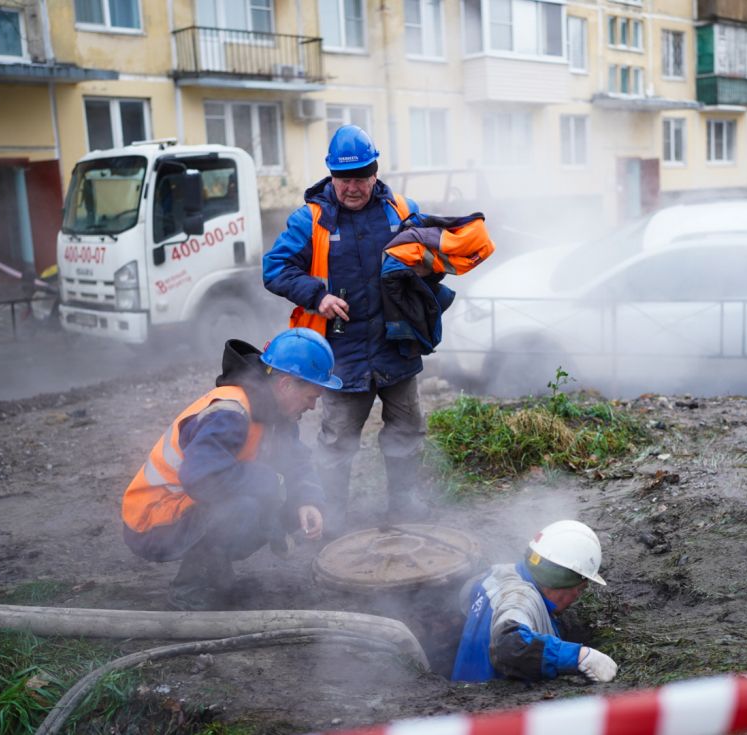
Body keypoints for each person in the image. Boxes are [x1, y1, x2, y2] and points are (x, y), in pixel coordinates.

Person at [262, 125, 431, 532]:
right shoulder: (312, 219)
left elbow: (431, 255)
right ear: (331, 176)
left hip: (397, 347)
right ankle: (330, 514)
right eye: (344, 179)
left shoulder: (402, 211)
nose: (352, 187)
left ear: (375, 173)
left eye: (360, 178)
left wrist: (429, 266)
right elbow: (274, 269)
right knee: (337, 442)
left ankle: (403, 504)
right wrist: (317, 295)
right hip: (342, 355)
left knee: (407, 427)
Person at [120, 328, 342, 611]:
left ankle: (217, 577)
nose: (312, 406)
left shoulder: (277, 413)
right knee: (244, 506)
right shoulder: (230, 411)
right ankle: (190, 590)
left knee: (266, 502)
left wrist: (307, 501)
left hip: (183, 508)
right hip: (152, 520)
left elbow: (296, 460)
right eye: (311, 397)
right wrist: (265, 482)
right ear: (286, 385)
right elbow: (200, 477)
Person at [451, 520, 619, 683]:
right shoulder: (521, 598)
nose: (577, 597)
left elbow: (465, 597)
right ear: (566, 583)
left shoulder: (496, 574)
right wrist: (579, 656)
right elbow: (508, 644)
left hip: (461, 694)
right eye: (581, 589)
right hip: (490, 703)